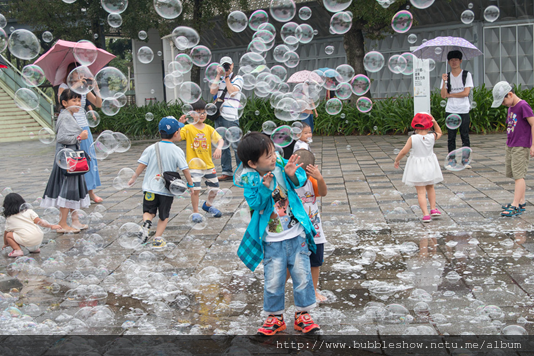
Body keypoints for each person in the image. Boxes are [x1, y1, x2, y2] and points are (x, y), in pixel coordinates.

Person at [234, 132, 320, 335]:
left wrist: (292, 173)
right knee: (273, 279)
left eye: (273, 151)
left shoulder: (281, 164)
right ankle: (275, 317)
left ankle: (303, 315)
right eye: (268, 155)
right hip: (272, 240)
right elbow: (255, 203)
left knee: (302, 275)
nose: (273, 157)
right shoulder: (250, 178)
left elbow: (299, 181)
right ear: (253, 163)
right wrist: (265, 189)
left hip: (295, 233)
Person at [128, 117, 194, 243]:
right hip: (166, 190)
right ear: (176, 133)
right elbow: (185, 169)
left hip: (150, 188)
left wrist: (133, 177)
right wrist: (191, 184)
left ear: (159, 133)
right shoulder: (177, 150)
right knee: (164, 216)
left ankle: (147, 223)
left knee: (148, 211)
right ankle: (157, 239)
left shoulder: (151, 147)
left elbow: (142, 164)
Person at [41, 89, 91, 233]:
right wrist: (80, 137)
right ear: (64, 102)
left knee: (74, 188)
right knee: (68, 188)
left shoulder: (69, 115)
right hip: (67, 159)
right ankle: (62, 223)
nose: (78, 103)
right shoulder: (64, 116)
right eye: (73, 100)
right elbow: (62, 137)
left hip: (71, 157)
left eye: (79, 100)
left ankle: (75, 220)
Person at [59, 62, 104, 203]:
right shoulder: (64, 87)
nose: (82, 75)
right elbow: (60, 101)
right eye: (78, 72)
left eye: (84, 73)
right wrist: (76, 85)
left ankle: (90, 191)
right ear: (71, 73)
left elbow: (98, 104)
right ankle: (77, 192)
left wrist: (96, 89)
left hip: (84, 127)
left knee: (89, 158)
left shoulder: (84, 89)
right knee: (74, 161)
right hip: (71, 128)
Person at [491, 81, 534, 217]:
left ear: (509, 94)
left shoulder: (523, 106)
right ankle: (521, 201)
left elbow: (533, 124)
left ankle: (515, 205)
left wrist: (533, 145)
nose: (503, 105)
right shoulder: (511, 107)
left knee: (518, 176)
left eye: (503, 101)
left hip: (521, 145)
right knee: (515, 174)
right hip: (511, 144)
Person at [178, 99, 225, 222]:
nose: (202, 115)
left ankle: (208, 206)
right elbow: (177, 138)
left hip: (208, 165)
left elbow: (220, 140)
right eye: (198, 112)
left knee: (215, 188)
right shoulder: (188, 128)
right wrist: (179, 124)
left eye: (204, 112)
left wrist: (219, 148)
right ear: (192, 114)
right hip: (194, 166)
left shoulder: (208, 128)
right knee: (195, 190)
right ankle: (196, 212)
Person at [394, 113, 443, 223]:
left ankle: (426, 215)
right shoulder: (432, 136)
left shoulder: (413, 138)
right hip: (430, 166)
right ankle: (433, 209)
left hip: (417, 167)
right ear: (429, 126)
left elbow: (404, 151)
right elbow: (439, 132)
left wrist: (397, 160)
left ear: (414, 126)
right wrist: (434, 121)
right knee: (430, 187)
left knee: (421, 192)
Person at [293, 149, 328, 302]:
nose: (302, 178)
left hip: (315, 232)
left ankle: (313, 291)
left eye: (305, 175)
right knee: (291, 262)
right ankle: (283, 290)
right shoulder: (288, 183)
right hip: (295, 231)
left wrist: (319, 178)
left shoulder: (312, 181)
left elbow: (324, 192)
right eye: (298, 174)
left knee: (315, 263)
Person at [209, 56, 244, 181]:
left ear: (232, 65)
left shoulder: (238, 78)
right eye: (224, 66)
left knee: (236, 145)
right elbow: (213, 91)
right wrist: (219, 76)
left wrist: (227, 77)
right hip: (219, 115)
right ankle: (227, 171)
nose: (227, 68)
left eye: (228, 65)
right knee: (222, 144)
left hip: (231, 116)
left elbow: (233, 91)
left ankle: (241, 172)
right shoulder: (219, 79)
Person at [440, 50, 474, 169]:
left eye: (456, 59)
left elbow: (466, 93)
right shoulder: (446, 76)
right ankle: (451, 160)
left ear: (460, 61)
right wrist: (444, 82)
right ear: (448, 62)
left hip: (464, 109)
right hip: (451, 109)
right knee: (451, 136)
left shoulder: (466, 74)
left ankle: (465, 161)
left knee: (465, 135)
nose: (453, 62)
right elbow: (443, 95)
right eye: (451, 60)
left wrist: (451, 95)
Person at [3, 193, 61, 257]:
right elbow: (39, 221)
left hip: (28, 239)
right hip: (39, 238)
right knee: (27, 233)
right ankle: (35, 249)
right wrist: (51, 226)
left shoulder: (9, 218)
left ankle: (17, 250)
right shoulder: (29, 211)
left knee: (9, 235)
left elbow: (6, 233)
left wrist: (6, 243)